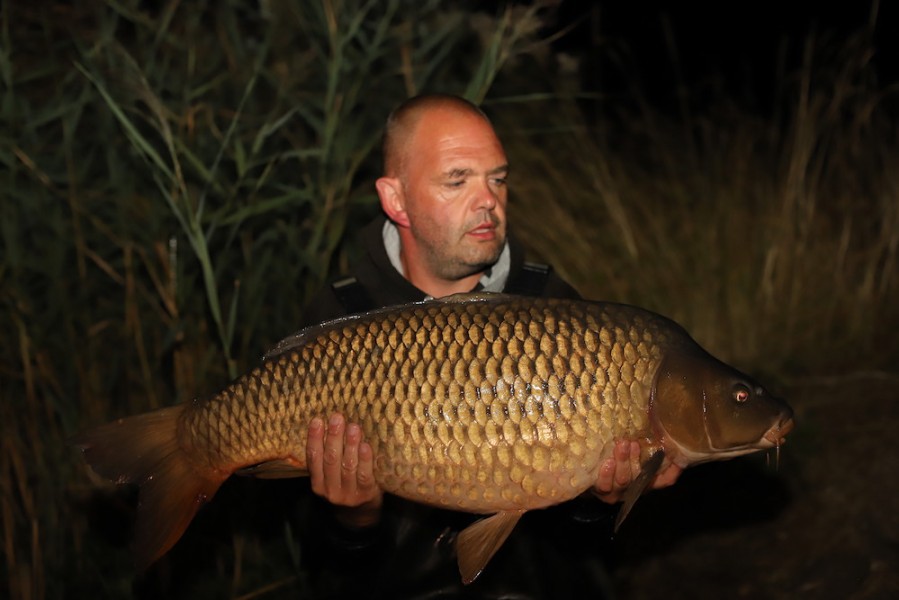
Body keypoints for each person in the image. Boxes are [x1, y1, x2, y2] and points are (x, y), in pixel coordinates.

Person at [295, 94, 681, 599]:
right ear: (396, 199)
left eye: (497, 179)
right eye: (458, 180)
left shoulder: (551, 306)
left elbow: (585, 546)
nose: (488, 201)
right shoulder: (340, 318)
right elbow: (318, 560)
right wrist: (353, 521)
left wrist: (600, 499)